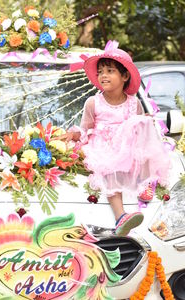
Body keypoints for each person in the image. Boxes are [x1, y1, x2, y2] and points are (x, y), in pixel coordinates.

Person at [57, 41, 170, 236]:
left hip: (127, 151)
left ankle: (145, 182)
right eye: (100, 71)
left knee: (142, 124)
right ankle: (120, 217)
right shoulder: (93, 103)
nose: (103, 75)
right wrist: (74, 135)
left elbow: (141, 138)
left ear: (124, 76)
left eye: (110, 71)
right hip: (103, 148)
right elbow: (85, 129)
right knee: (108, 169)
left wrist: (144, 122)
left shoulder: (134, 103)